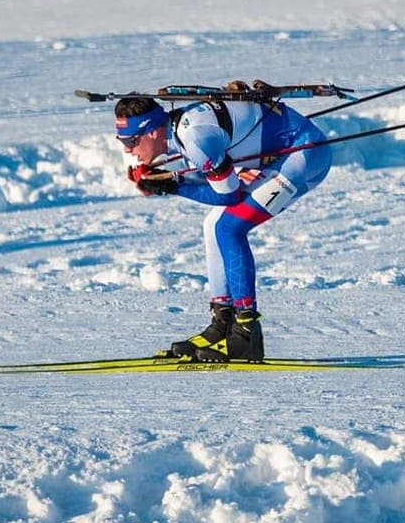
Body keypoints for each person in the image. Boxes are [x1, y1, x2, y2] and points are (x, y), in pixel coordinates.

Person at [114, 87, 332, 362]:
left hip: (305, 156)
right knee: (213, 225)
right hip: (284, 154)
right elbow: (206, 174)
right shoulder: (178, 128)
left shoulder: (195, 136)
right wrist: (163, 180)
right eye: (121, 141)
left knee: (229, 227)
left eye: (132, 141)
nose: (128, 150)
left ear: (153, 131)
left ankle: (247, 331)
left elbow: (228, 194)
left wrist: (171, 186)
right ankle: (224, 323)